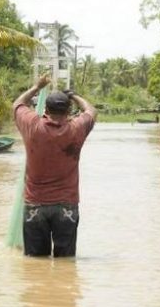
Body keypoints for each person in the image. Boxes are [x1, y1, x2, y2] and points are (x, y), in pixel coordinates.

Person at [13, 75, 97, 257]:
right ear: (68, 110)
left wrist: (36, 86)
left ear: (46, 109)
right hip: (66, 205)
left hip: (35, 204)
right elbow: (91, 111)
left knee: (35, 263)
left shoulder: (32, 126)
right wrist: (74, 95)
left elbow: (18, 104)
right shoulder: (77, 128)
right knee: (65, 262)